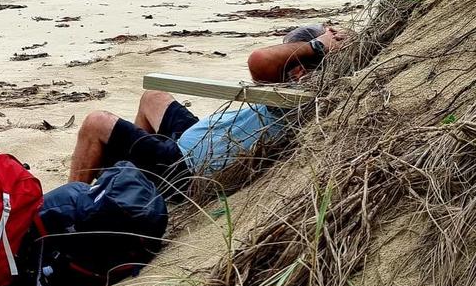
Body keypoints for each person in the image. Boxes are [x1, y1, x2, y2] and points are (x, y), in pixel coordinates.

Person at [67, 24, 347, 192]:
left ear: (300, 68)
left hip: (185, 167)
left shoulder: (296, 97)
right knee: (153, 97)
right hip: (195, 141)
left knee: (96, 122)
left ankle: (71, 205)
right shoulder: (293, 92)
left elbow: (259, 59)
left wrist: (317, 45)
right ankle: (139, 182)